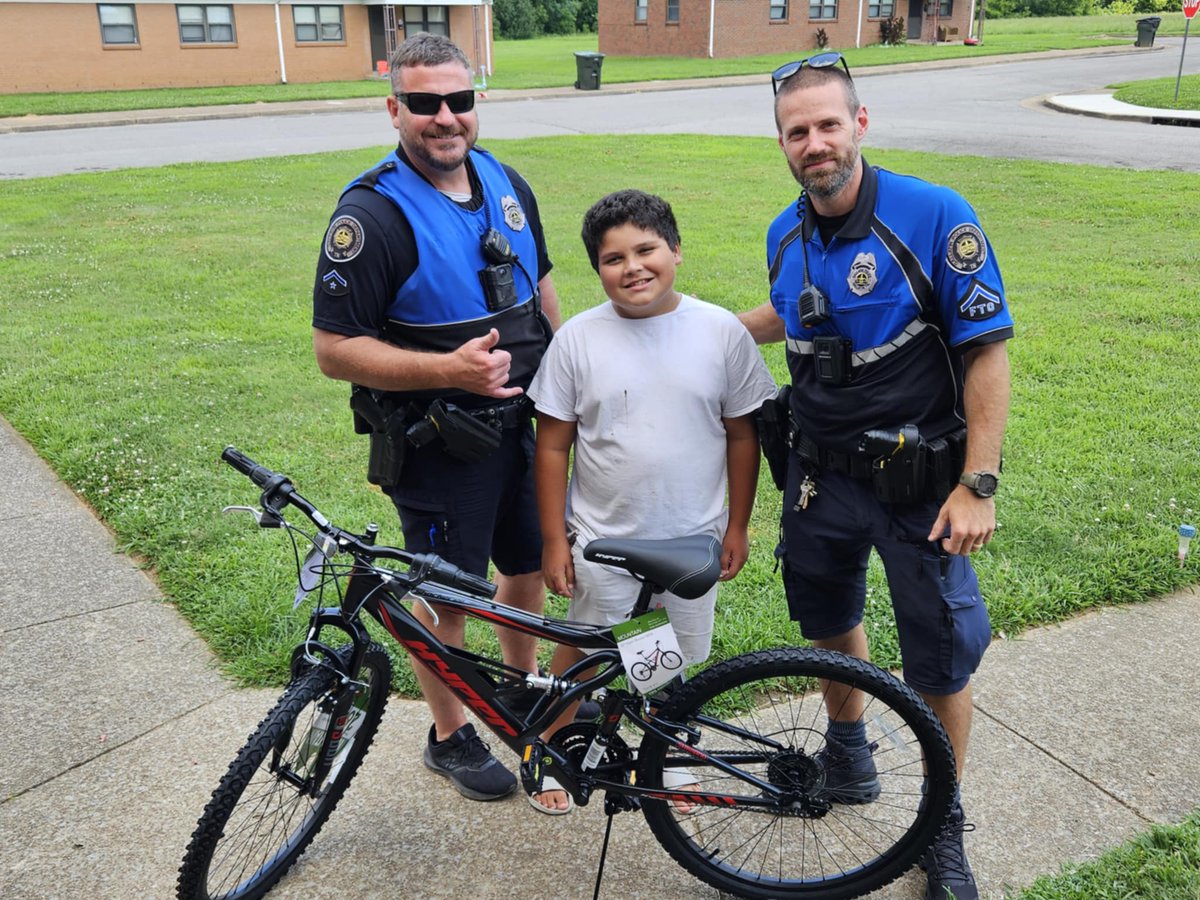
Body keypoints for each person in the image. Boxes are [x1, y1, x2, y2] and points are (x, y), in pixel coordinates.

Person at [739, 53, 1012, 900]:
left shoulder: (934, 215)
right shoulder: (784, 231)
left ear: (860, 123)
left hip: (920, 487)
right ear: (782, 144)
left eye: (828, 124)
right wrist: (688, 327)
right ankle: (849, 754)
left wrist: (978, 482)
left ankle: (942, 824)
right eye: (798, 131)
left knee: (937, 658)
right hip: (817, 479)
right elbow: (790, 315)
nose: (815, 143)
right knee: (829, 618)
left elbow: (986, 350)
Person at [311, 32, 562, 802]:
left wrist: (568, 377)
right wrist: (448, 371)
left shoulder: (505, 180)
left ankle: (518, 688)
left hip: (523, 429)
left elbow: (542, 289)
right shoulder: (371, 215)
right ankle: (449, 735)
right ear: (395, 110)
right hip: (441, 446)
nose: (445, 116)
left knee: (525, 566)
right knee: (449, 594)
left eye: (459, 99)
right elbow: (334, 350)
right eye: (425, 102)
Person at [526, 189, 777, 814]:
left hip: (693, 537)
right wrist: (555, 539)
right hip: (603, 537)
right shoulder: (578, 340)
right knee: (585, 648)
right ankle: (549, 744)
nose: (633, 267)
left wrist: (738, 526)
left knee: (672, 654)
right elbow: (552, 445)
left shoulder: (721, 332)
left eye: (647, 250)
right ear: (597, 268)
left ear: (676, 251)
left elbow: (743, 435)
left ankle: (667, 755)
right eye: (613, 258)